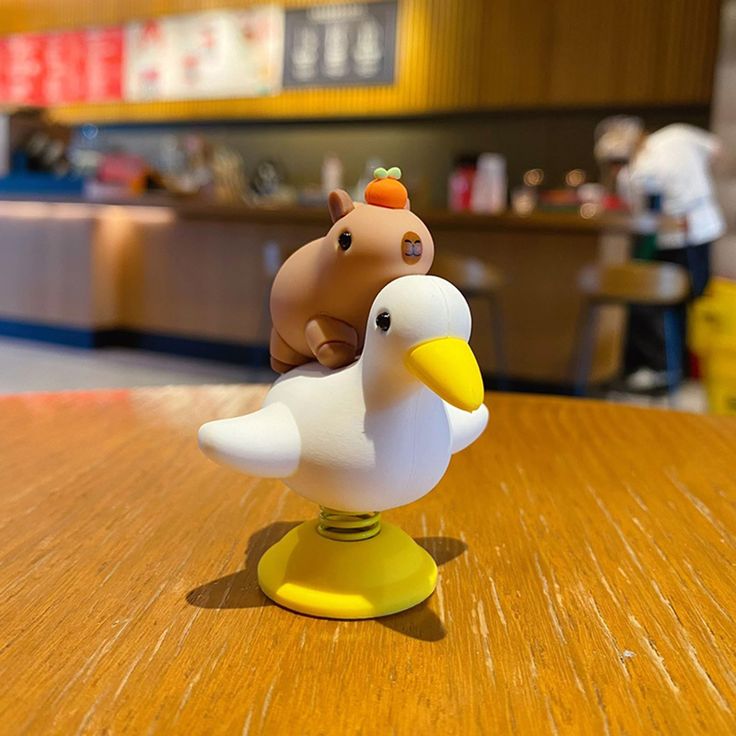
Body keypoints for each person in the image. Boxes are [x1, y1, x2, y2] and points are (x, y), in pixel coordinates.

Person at [597, 119, 726, 391]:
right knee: (687, 301)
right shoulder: (679, 133)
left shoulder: (637, 172)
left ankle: (662, 369)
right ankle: (679, 371)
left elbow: (640, 217)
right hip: (704, 227)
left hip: (674, 238)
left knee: (654, 302)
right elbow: (717, 150)